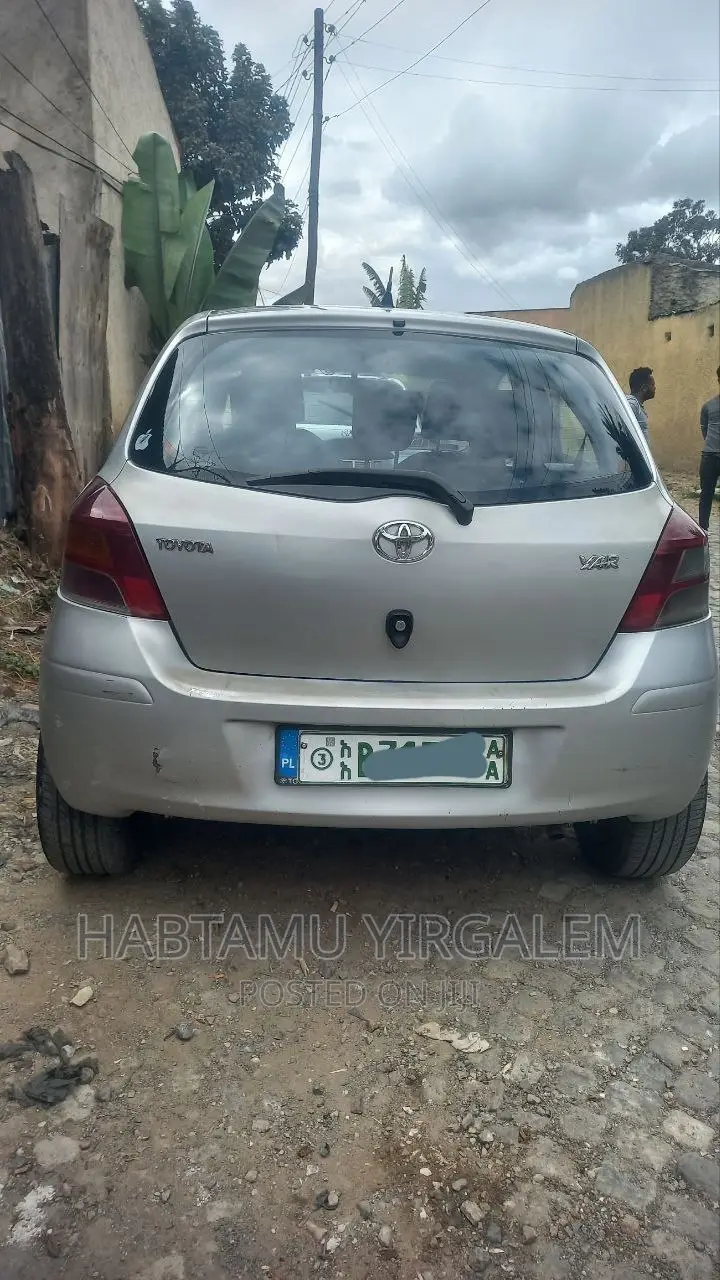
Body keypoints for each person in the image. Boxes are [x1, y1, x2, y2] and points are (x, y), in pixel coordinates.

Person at [699, 365, 720, 531]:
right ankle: (703, 530)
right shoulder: (708, 406)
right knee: (706, 495)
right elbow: (704, 430)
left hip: (711, 455)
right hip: (710, 457)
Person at [626, 367, 655, 439]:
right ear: (644, 388)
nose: (655, 388)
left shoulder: (636, 405)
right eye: (652, 385)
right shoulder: (632, 404)